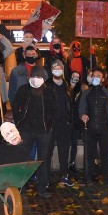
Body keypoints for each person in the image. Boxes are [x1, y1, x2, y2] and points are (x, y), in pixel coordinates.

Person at [12, 65, 57, 198]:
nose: (36, 79)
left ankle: (42, 187)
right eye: (34, 76)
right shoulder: (23, 90)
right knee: (23, 159)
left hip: (43, 131)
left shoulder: (49, 91)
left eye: (38, 77)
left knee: (44, 159)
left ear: (43, 78)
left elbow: (54, 111)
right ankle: (22, 185)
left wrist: (49, 126)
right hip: (26, 130)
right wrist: (19, 122)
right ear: (29, 77)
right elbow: (15, 107)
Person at [79, 66, 108, 184]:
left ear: (103, 79)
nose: (96, 78)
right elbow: (81, 108)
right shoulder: (86, 93)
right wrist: (82, 115)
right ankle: (89, 176)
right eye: (94, 76)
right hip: (90, 128)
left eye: (99, 76)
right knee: (90, 154)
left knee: (105, 153)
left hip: (105, 128)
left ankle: (106, 176)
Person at [47, 59, 74, 187]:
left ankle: (65, 176)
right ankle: (45, 178)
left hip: (64, 124)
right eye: (54, 67)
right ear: (51, 70)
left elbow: (71, 105)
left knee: (64, 151)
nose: (57, 69)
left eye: (59, 67)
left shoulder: (67, 86)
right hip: (50, 124)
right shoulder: (46, 86)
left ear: (63, 69)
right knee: (47, 152)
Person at [68, 71, 84, 173]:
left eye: (77, 77)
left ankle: (72, 162)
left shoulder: (80, 92)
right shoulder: (66, 89)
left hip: (76, 122)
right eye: (73, 76)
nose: (75, 78)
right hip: (66, 121)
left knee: (74, 143)